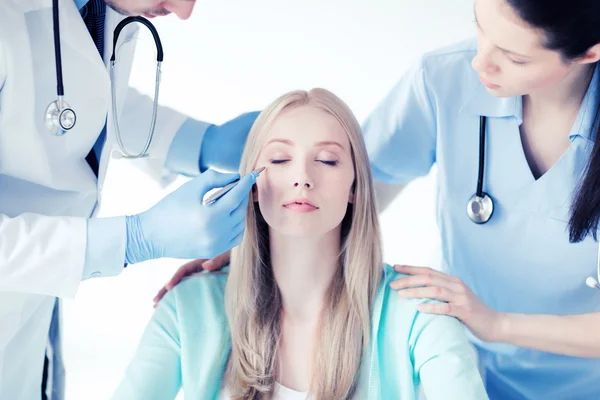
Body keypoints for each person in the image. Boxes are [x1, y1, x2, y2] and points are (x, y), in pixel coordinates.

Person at [157, 0, 600, 398]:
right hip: (464, 357)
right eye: (480, 26)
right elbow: (352, 183)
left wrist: (498, 324)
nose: (480, 62)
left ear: (589, 52)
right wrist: (248, 246)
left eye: (514, 56)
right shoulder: (445, 79)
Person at [113, 88, 488, 400]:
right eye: (279, 159)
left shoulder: (417, 313)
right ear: (252, 185)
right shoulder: (188, 306)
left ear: (355, 187)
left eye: (327, 161)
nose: (302, 178)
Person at [0, 1, 258, 398]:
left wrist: (200, 143)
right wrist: (134, 237)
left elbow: (75, 94)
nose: (184, 11)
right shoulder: (191, 307)